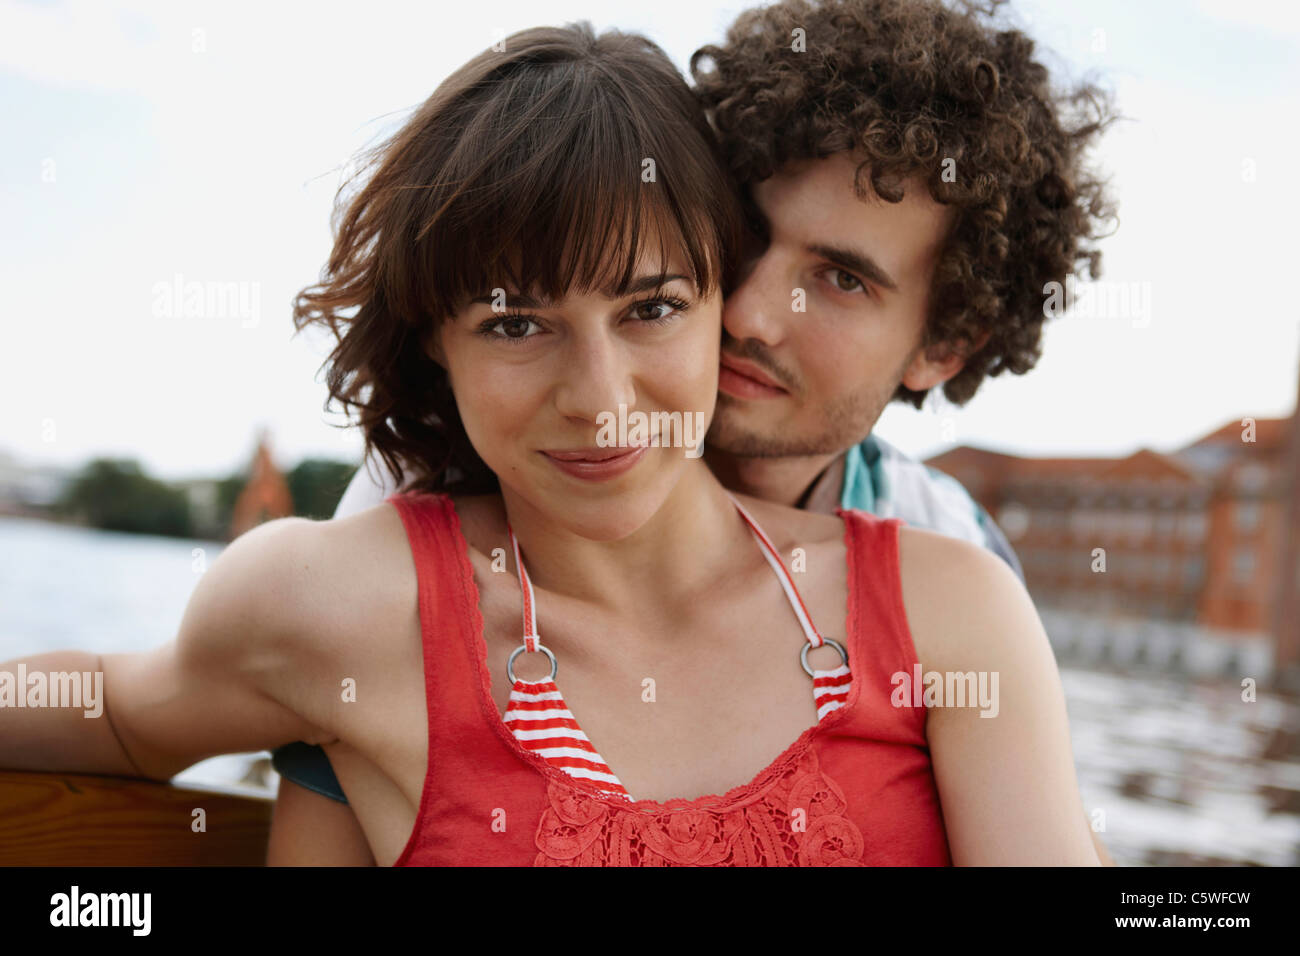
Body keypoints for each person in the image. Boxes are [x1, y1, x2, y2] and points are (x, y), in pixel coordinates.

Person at [2, 20, 1101, 867]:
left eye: (652, 306)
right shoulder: (368, 564)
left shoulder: (950, 581)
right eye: (515, 323)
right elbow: (135, 707)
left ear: (943, 344)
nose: (599, 396)